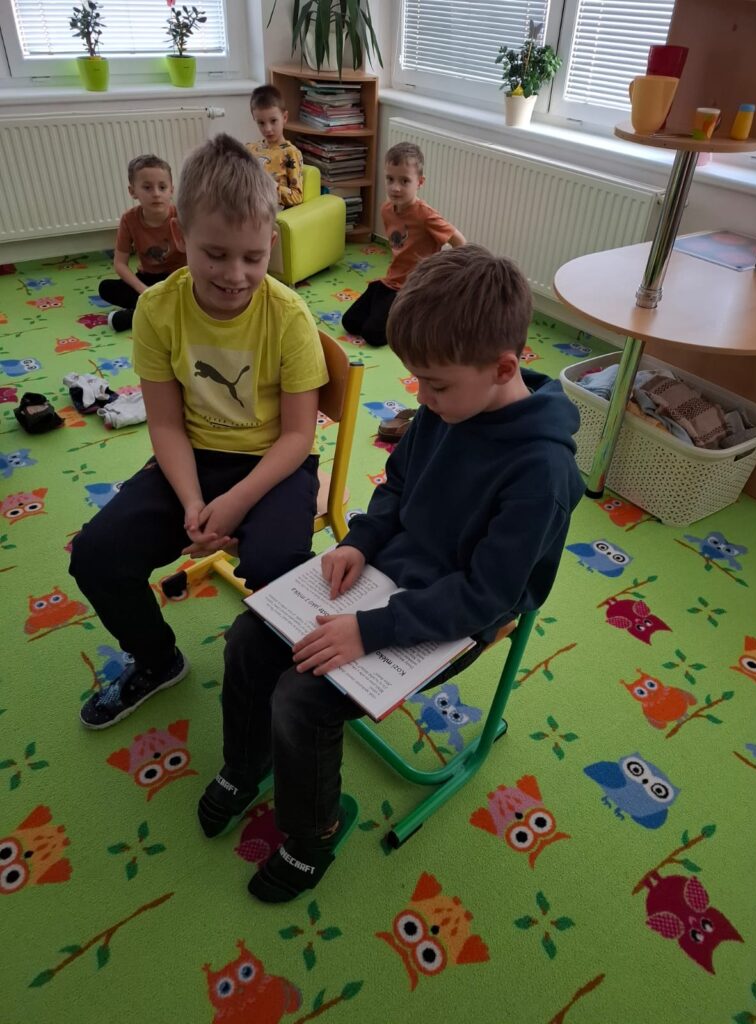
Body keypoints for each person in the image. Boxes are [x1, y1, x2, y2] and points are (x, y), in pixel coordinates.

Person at [199, 244, 584, 904]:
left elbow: (487, 596)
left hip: (456, 616)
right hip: (386, 578)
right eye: (418, 383)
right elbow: (399, 486)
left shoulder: (542, 474)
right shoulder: (449, 406)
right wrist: (363, 541)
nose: (422, 400)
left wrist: (371, 630)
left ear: (504, 368)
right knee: (249, 639)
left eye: (436, 385)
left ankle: (313, 834)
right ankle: (247, 762)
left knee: (303, 698)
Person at [70, 134, 328, 730]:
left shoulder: (289, 316)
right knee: (96, 556)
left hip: (273, 465)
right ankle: (157, 661)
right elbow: (164, 422)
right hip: (190, 459)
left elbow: (297, 438)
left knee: (280, 564)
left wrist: (233, 503)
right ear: (181, 234)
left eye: (253, 258)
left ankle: (276, 677)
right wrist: (192, 501)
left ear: (271, 243)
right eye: (215, 254)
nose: (235, 276)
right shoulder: (158, 309)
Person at [342, 141, 466, 348]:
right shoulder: (386, 209)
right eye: (390, 179)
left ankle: (421, 312)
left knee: (373, 335)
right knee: (350, 322)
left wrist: (449, 276)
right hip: (391, 280)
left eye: (405, 181)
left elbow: (460, 242)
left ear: (420, 182)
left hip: (413, 287)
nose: (395, 188)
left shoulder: (426, 215)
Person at [98, 154, 187, 333]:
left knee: (198, 292)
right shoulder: (129, 219)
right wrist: (144, 290)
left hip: (179, 278)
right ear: (133, 191)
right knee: (106, 288)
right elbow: (120, 264)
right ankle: (162, 307)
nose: (156, 194)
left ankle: (141, 313)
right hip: (148, 279)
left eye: (162, 187)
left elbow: (198, 255)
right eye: (147, 187)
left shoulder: (182, 216)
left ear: (171, 190)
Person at [246, 84, 304, 209]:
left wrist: (272, 186)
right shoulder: (250, 149)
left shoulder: (290, 152)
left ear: (284, 117)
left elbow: (297, 196)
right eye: (261, 123)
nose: (268, 129)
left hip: (269, 209)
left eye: (273, 121)